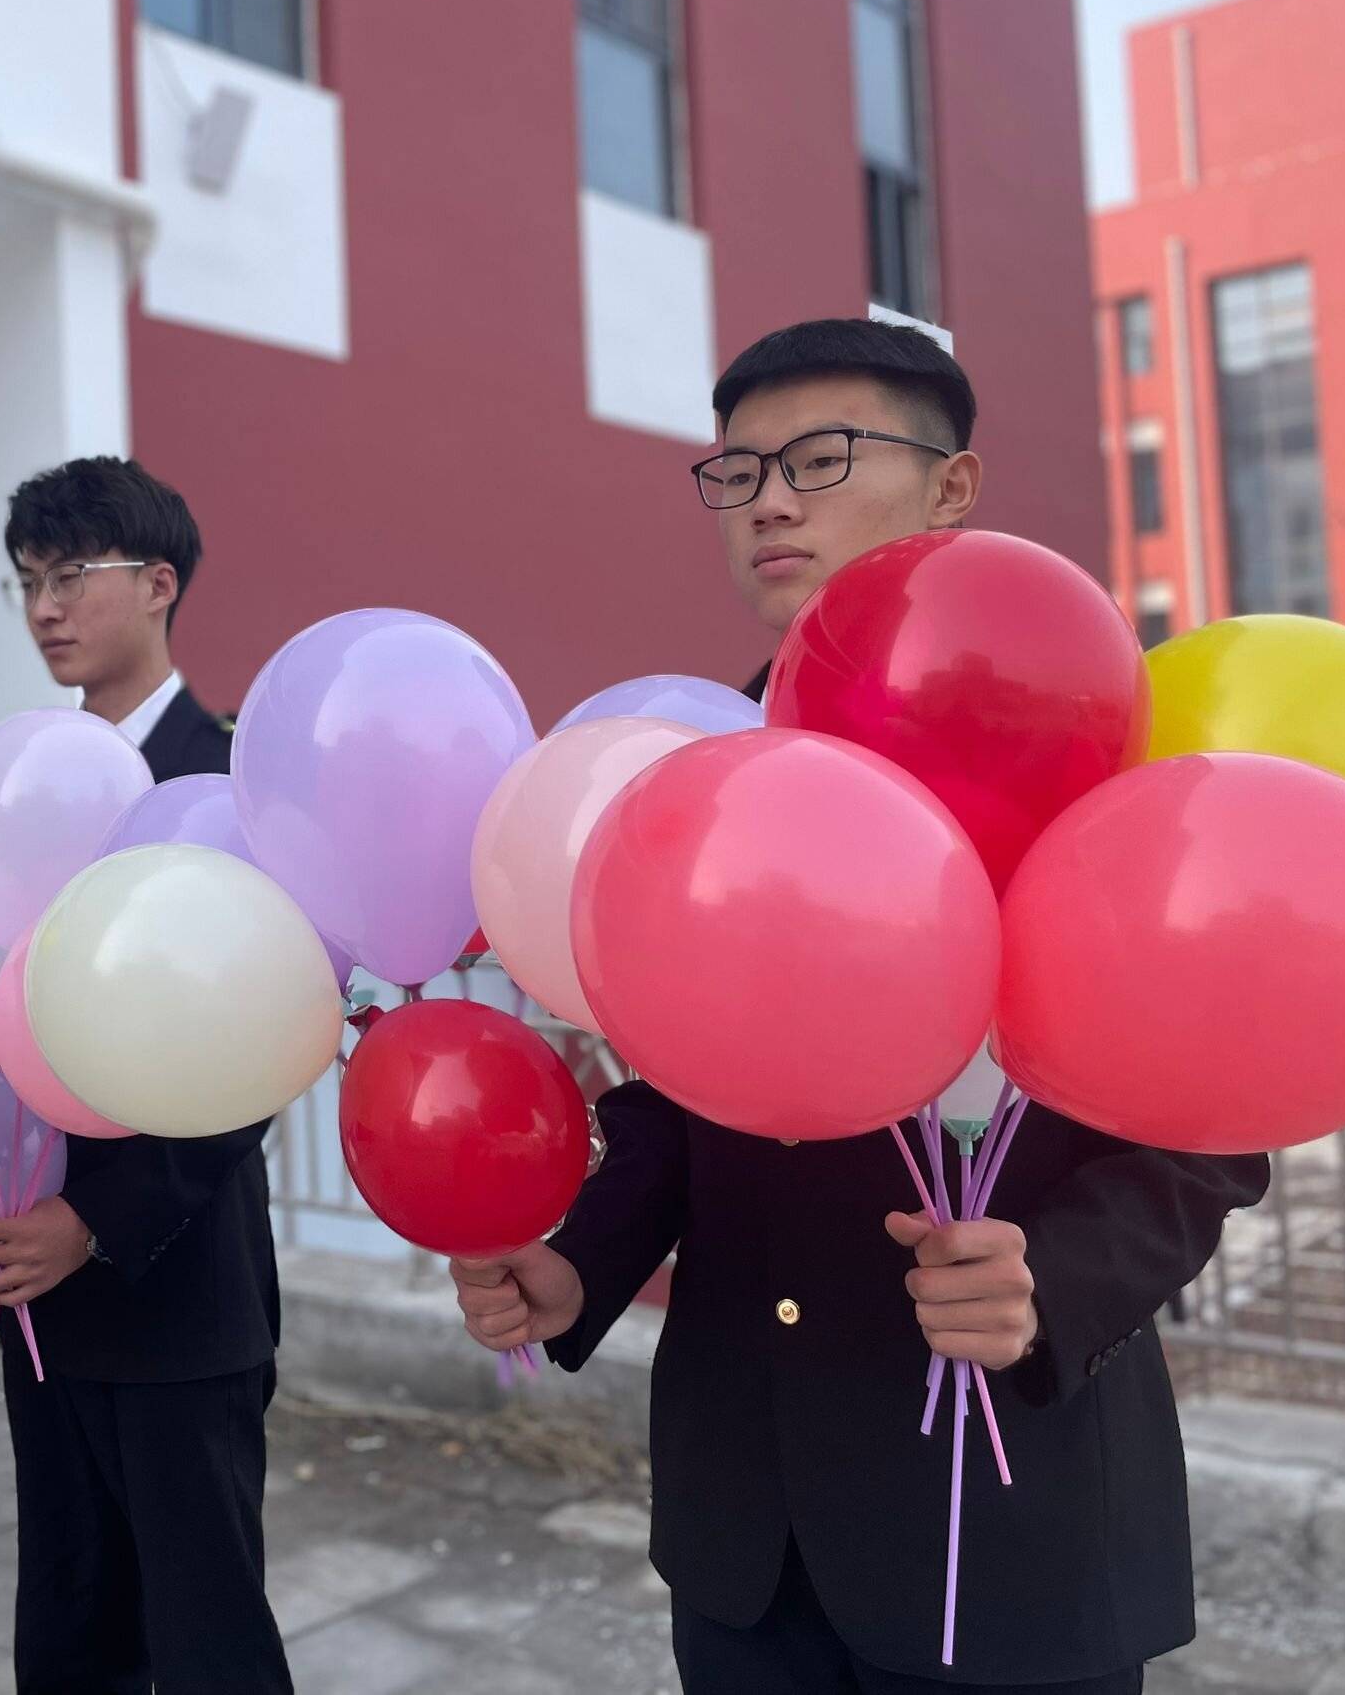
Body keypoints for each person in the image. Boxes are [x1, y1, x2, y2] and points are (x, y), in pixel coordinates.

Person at [449, 319, 1270, 1694]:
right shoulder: (703, 761)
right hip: (746, 1526)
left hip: (999, 1514)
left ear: (953, 487)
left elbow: (1213, 1113)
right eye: (738, 469)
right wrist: (579, 1263)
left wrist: (1051, 1281)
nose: (770, 497)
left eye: (821, 457)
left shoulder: (1084, 728)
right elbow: (680, 1088)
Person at [0, 456, 292, 1694]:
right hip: (39, 1295)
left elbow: (252, 1049)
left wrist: (94, 1220)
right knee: (66, 1627)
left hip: (173, 1285)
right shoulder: (25, 785)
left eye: (70, 577)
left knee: (207, 1639)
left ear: (158, 586)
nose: (45, 607)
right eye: (28, 584)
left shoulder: (222, 782)